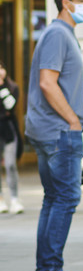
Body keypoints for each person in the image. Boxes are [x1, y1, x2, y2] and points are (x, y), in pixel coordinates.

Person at [25, 0, 83, 271]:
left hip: (53, 130)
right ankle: (50, 270)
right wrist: (73, 121)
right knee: (65, 198)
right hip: (59, 132)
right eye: (82, 0)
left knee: (54, 199)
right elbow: (47, 82)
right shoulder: (57, 34)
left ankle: (46, 270)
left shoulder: (62, 34)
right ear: (66, 3)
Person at [0, 59, 24, 214]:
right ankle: (1, 200)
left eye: (1, 67)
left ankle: (15, 199)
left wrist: (1, 87)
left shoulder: (12, 87)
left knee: (10, 164)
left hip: (8, 131)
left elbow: (10, 105)